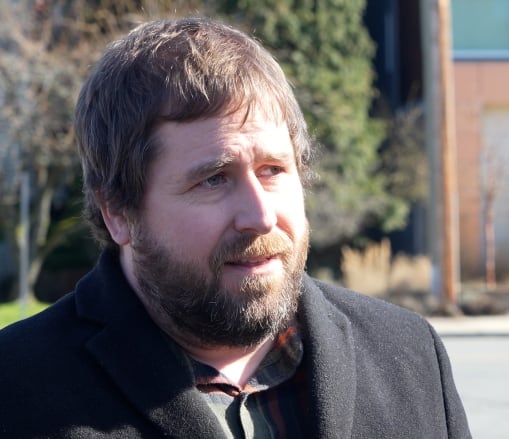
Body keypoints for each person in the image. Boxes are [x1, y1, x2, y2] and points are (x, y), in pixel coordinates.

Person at [0, 17, 470, 438]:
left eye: (272, 170)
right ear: (118, 213)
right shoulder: (16, 390)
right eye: (213, 179)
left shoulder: (409, 356)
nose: (260, 216)